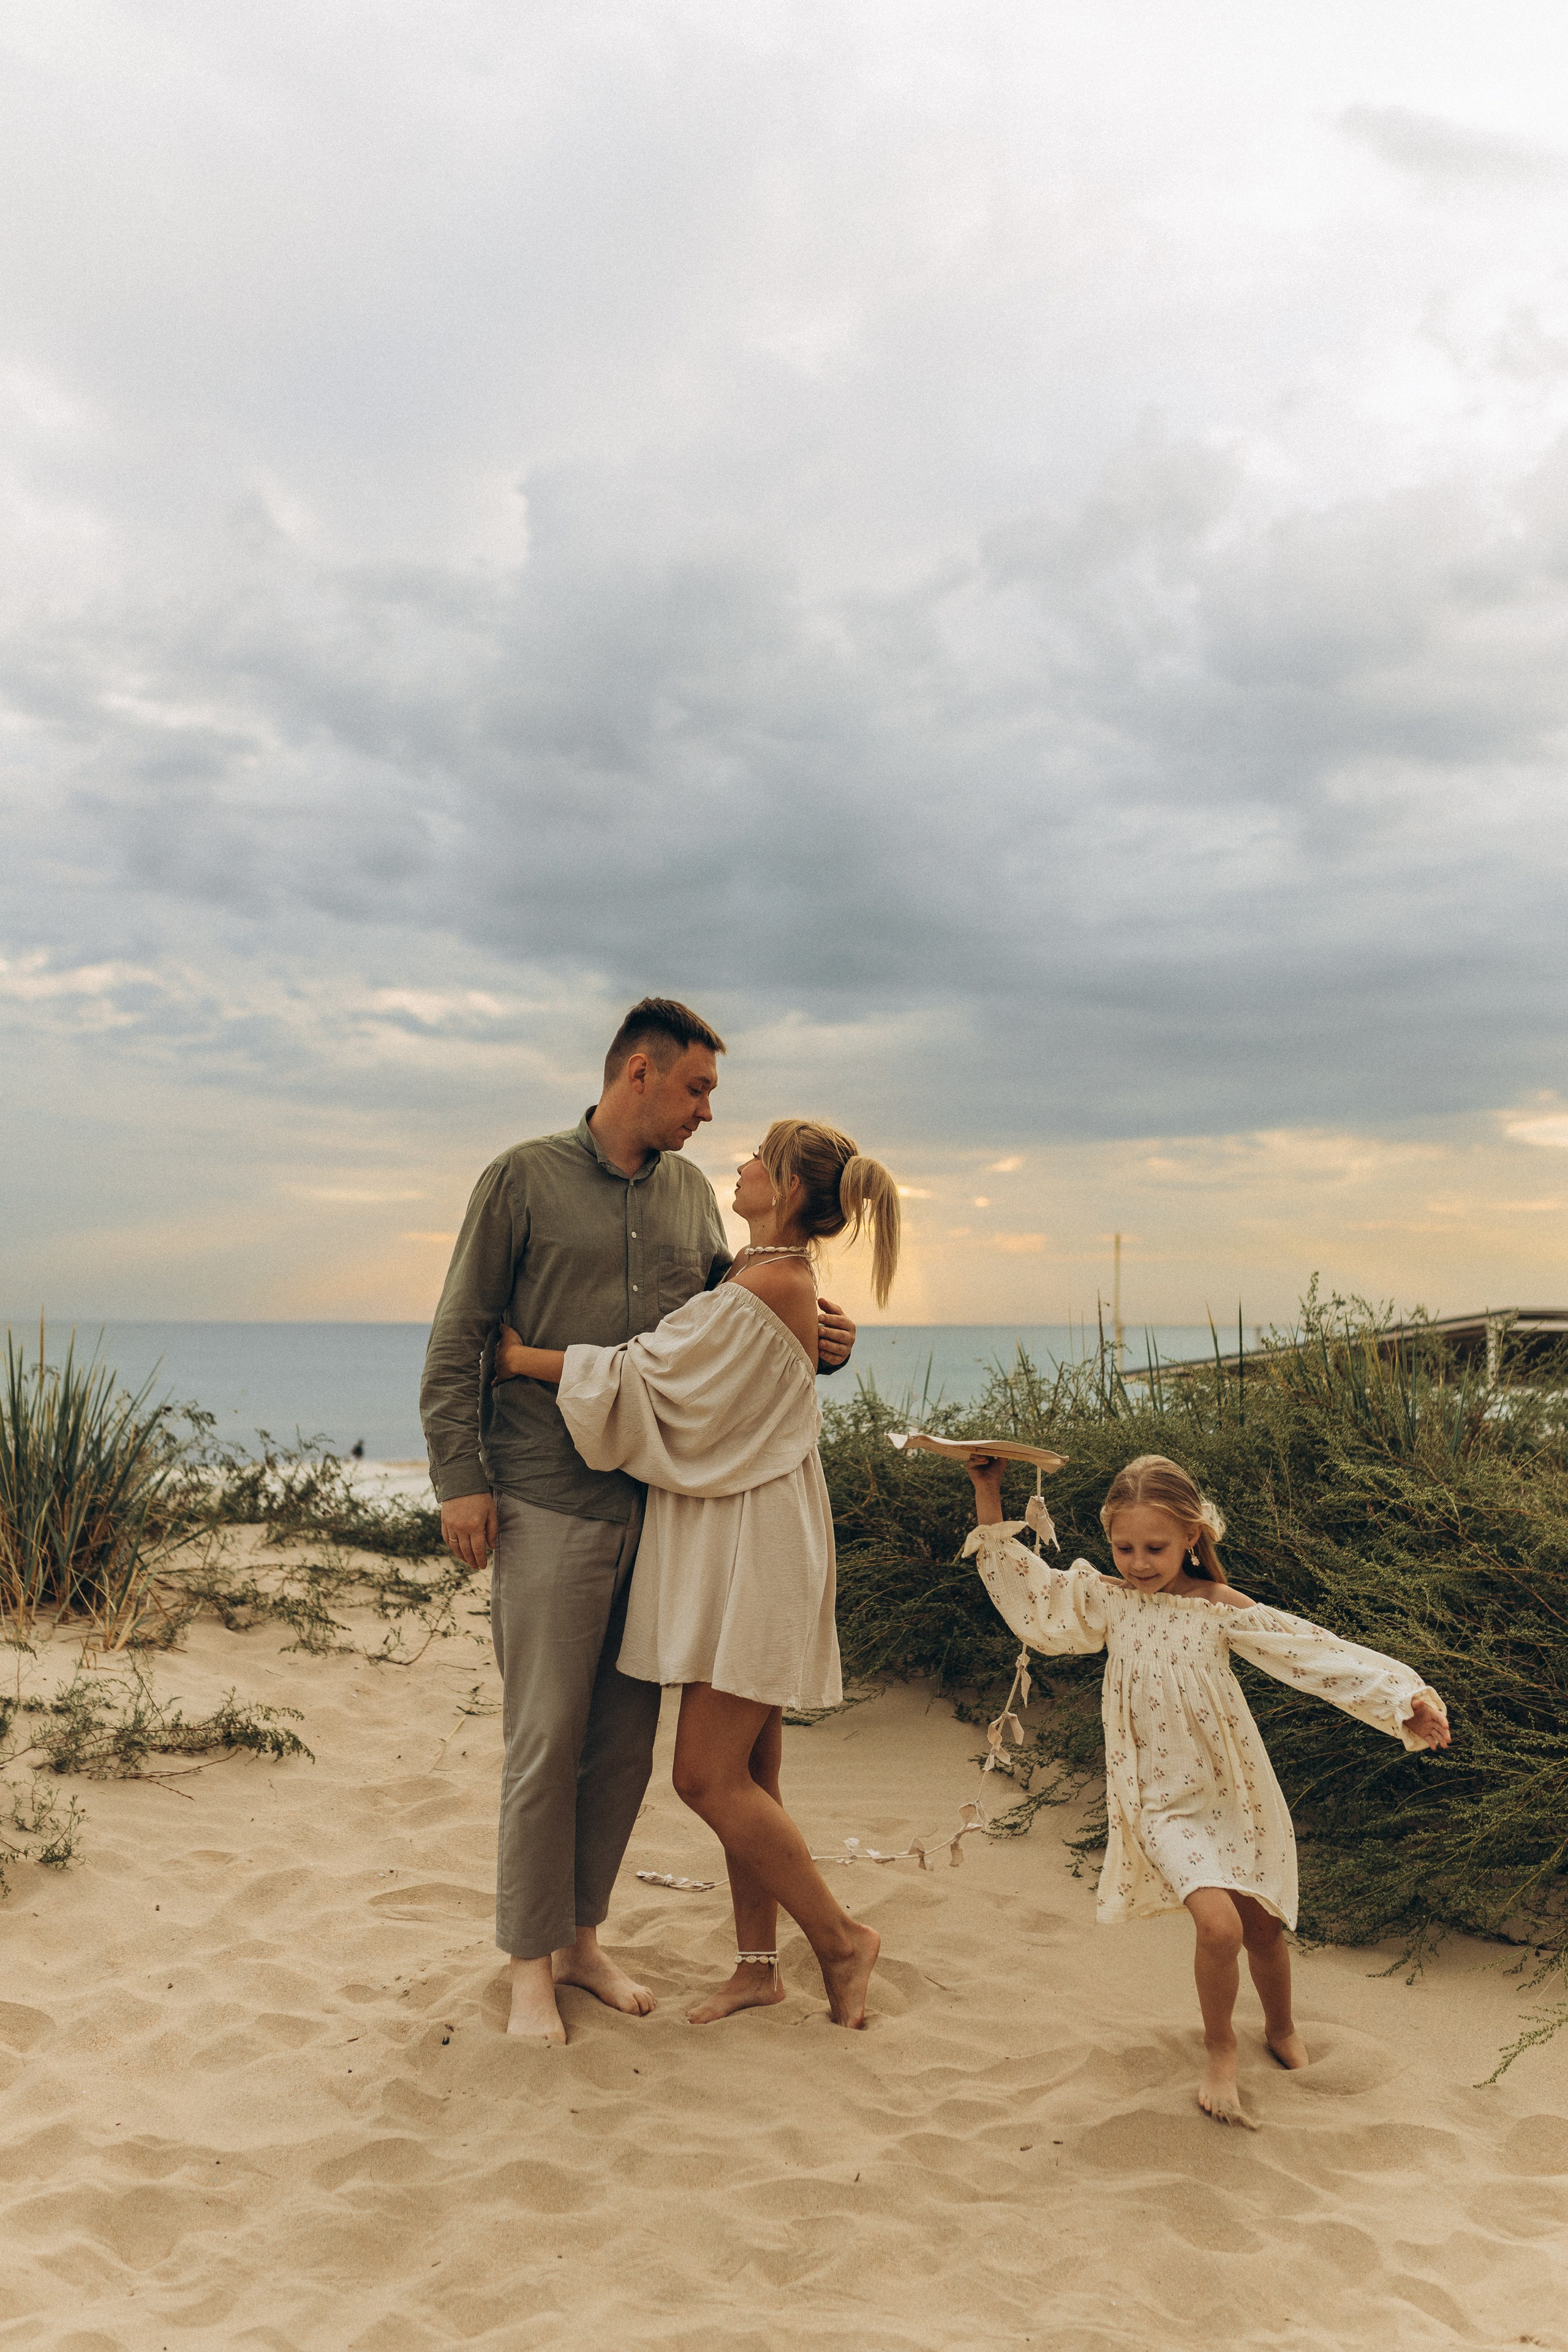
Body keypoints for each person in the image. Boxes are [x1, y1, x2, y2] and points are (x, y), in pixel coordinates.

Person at [418, 1000, 858, 2044]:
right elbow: (459, 1338)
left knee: (619, 1748)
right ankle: (529, 1967)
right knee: (545, 1740)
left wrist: (827, 1337)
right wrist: (458, 1479)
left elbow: (728, 1328)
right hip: (543, 1499)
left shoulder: (691, 1205)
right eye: (699, 1089)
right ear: (640, 1074)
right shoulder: (521, 1179)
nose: (710, 1112)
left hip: (661, 1515)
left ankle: (581, 1942)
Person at [492, 1118, 901, 2029]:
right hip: (744, 1530)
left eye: (762, 1154)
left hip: (754, 1545)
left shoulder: (769, 1284)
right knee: (754, 1769)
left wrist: (519, 1360)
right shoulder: (761, 1277)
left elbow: (646, 1382)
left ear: (790, 1189)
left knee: (706, 1778)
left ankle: (840, 1940)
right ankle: (758, 1967)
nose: (743, 1161)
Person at [962, 1450, 1450, 2127]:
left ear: (1192, 1536)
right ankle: (1221, 2049)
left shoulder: (1218, 1609)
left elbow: (1312, 1652)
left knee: (1261, 1926)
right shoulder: (1109, 1600)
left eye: (1154, 1547)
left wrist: (1402, 1701)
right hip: (1157, 1797)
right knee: (1217, 1927)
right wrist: (988, 1490)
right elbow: (1028, 1590)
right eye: (1123, 1546)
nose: (1137, 1562)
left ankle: (1279, 2028)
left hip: (1231, 1787)